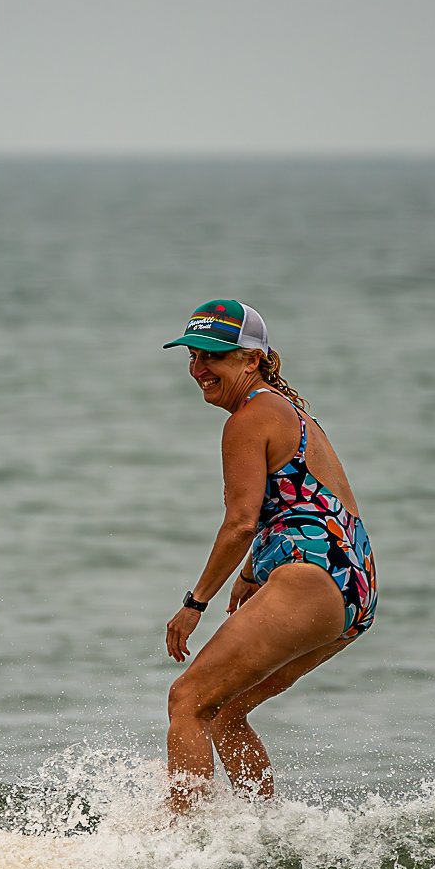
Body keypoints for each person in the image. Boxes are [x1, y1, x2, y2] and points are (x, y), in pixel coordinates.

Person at [160, 299, 377, 812]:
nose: (199, 369)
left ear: (252, 359)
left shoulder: (249, 417)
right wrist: (257, 567)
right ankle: (260, 834)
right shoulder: (289, 412)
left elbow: (239, 522)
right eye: (193, 355)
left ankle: (176, 847)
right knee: (225, 710)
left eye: (214, 356)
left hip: (312, 577)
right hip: (351, 585)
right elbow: (309, 506)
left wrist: (195, 603)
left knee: (187, 701)